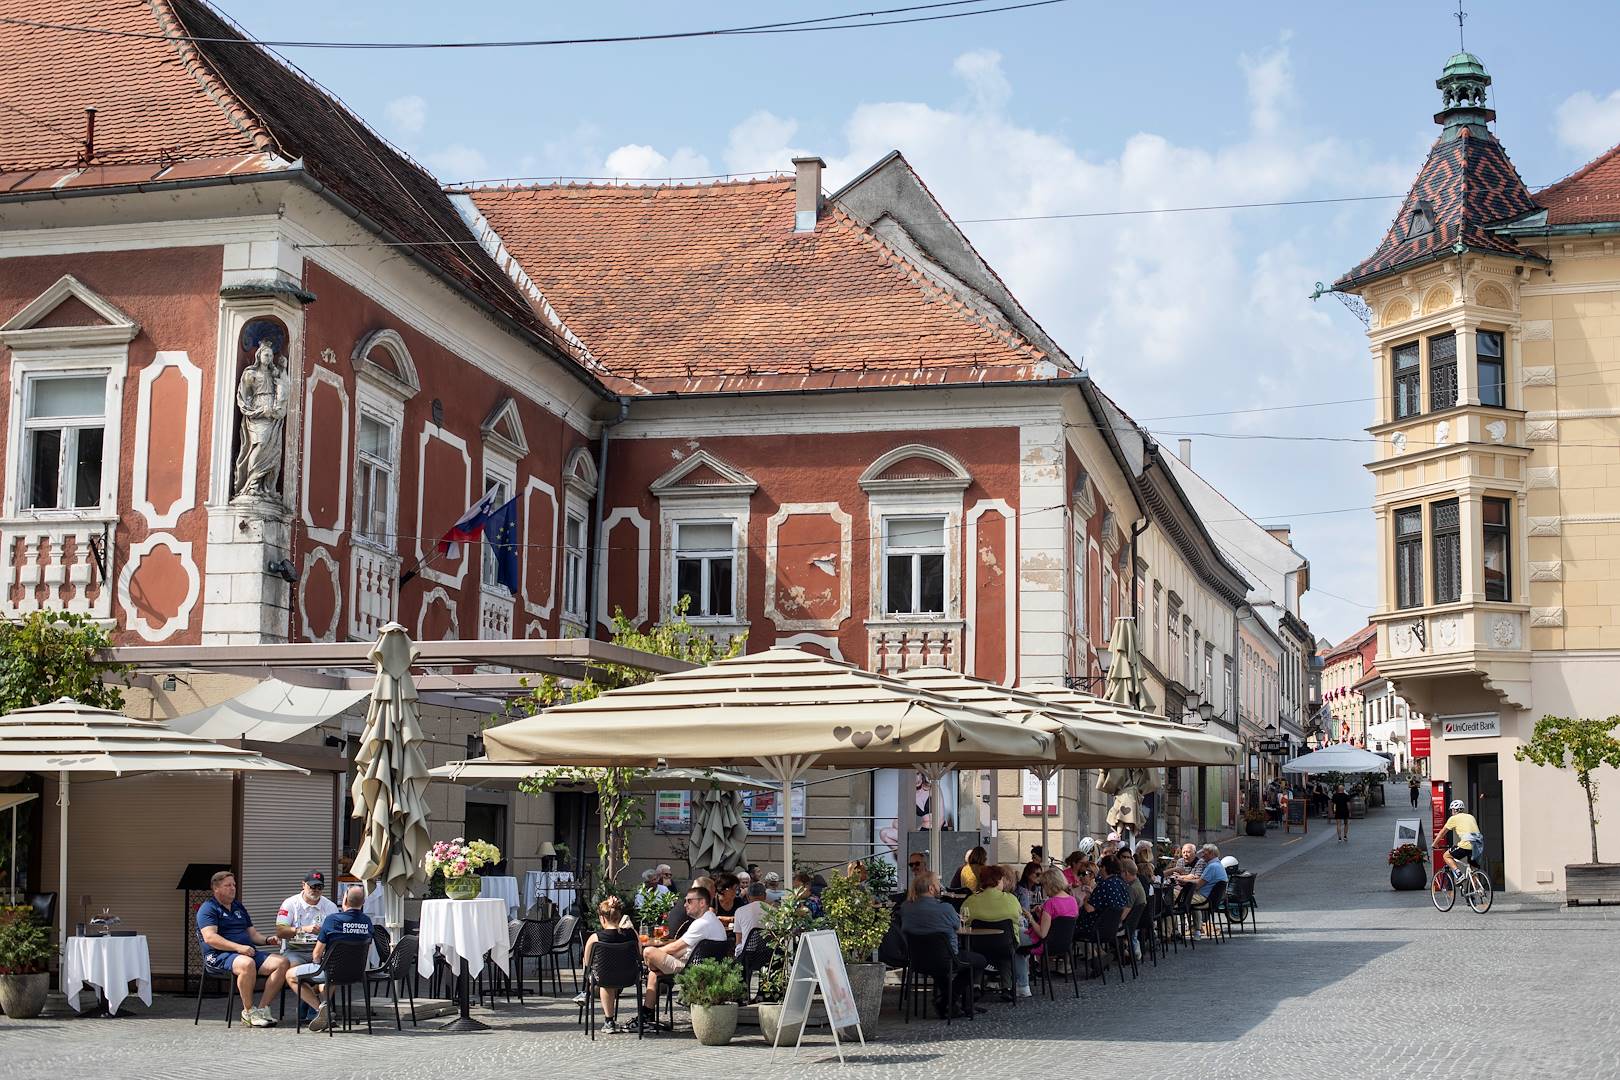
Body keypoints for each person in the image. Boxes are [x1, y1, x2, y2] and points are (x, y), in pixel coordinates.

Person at [196, 869, 288, 1028]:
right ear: (216, 888)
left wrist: (267, 940)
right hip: (218, 956)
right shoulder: (208, 908)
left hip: (246, 952)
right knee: (247, 964)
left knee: (282, 962)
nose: (232, 888)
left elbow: (252, 935)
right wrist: (239, 948)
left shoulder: (238, 906)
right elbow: (210, 938)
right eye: (227, 885)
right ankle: (248, 1012)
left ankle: (261, 1009)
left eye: (234, 885)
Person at [899, 870, 986, 1019]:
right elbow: (958, 928)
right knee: (979, 961)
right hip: (948, 959)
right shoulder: (945, 908)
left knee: (937, 964)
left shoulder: (906, 908)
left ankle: (950, 1004)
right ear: (931, 889)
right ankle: (947, 1001)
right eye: (938, 884)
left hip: (918, 960)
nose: (941, 887)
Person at [287, 885, 373, 1032]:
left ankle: (321, 1009)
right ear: (363, 902)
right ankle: (323, 1008)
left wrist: (316, 966)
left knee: (290, 975)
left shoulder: (332, 920)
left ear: (344, 900)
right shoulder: (367, 922)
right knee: (329, 976)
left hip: (332, 971)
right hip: (356, 972)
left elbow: (316, 954)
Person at [641, 886, 727, 1030]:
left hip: (691, 968)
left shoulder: (701, 923)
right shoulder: (711, 919)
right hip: (701, 965)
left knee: (649, 952)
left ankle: (646, 1014)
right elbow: (682, 948)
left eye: (689, 901)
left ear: (702, 903)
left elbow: (675, 947)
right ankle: (647, 1014)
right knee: (653, 973)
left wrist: (655, 955)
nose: (685, 904)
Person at [960, 865, 1030, 998]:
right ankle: (1007, 988)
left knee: (978, 955)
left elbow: (965, 920)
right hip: (1005, 945)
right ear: (999, 880)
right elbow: (1018, 916)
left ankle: (975, 986)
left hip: (977, 945)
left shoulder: (971, 901)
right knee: (1006, 954)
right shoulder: (1011, 899)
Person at [276, 870, 338, 1020]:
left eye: (319, 887)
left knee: (333, 973)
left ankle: (312, 1008)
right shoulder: (290, 903)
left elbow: (336, 934)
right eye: (312, 886)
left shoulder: (329, 907)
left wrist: (323, 934)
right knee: (294, 969)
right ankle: (318, 1010)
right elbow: (280, 931)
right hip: (295, 949)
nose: (315, 890)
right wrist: (302, 929)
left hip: (320, 950)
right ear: (303, 885)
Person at [577, 895, 638, 1033]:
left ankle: (609, 1021)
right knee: (608, 976)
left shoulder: (595, 937)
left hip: (604, 978)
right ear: (619, 916)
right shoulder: (632, 934)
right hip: (629, 976)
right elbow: (638, 953)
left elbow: (587, 962)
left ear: (602, 918)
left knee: (605, 980)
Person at [1174, 844, 1228, 939]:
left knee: (1171, 900)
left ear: (1211, 853)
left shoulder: (1212, 867)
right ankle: (1196, 931)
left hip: (1204, 897)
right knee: (1178, 895)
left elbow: (1197, 885)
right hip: (1209, 897)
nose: (1202, 855)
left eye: (1204, 853)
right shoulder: (1217, 864)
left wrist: (1183, 881)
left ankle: (1172, 932)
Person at [1028, 868, 1077, 957]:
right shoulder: (1072, 900)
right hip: (1065, 944)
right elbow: (1059, 924)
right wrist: (1041, 916)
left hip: (1047, 946)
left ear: (1049, 885)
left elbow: (1042, 934)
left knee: (1016, 943)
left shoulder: (1051, 903)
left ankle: (1024, 970)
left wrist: (1030, 918)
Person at [1439, 800, 1485, 879]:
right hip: (1478, 845)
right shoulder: (1471, 816)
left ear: (1454, 809)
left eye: (1451, 810)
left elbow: (1442, 833)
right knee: (1473, 869)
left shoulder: (1453, 818)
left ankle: (1459, 875)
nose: (1451, 812)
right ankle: (1478, 889)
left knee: (1446, 856)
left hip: (1466, 844)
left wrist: (1434, 844)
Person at [730, 882, 773, 958]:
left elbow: (738, 941)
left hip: (748, 956)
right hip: (769, 955)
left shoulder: (740, 911)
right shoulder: (774, 911)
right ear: (765, 895)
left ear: (748, 896)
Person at [1118, 860, 1147, 961]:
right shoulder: (1138, 883)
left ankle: (1124, 950)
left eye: (1120, 872)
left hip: (1130, 925)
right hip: (1136, 922)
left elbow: (1123, 915)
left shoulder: (1132, 889)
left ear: (1126, 873)